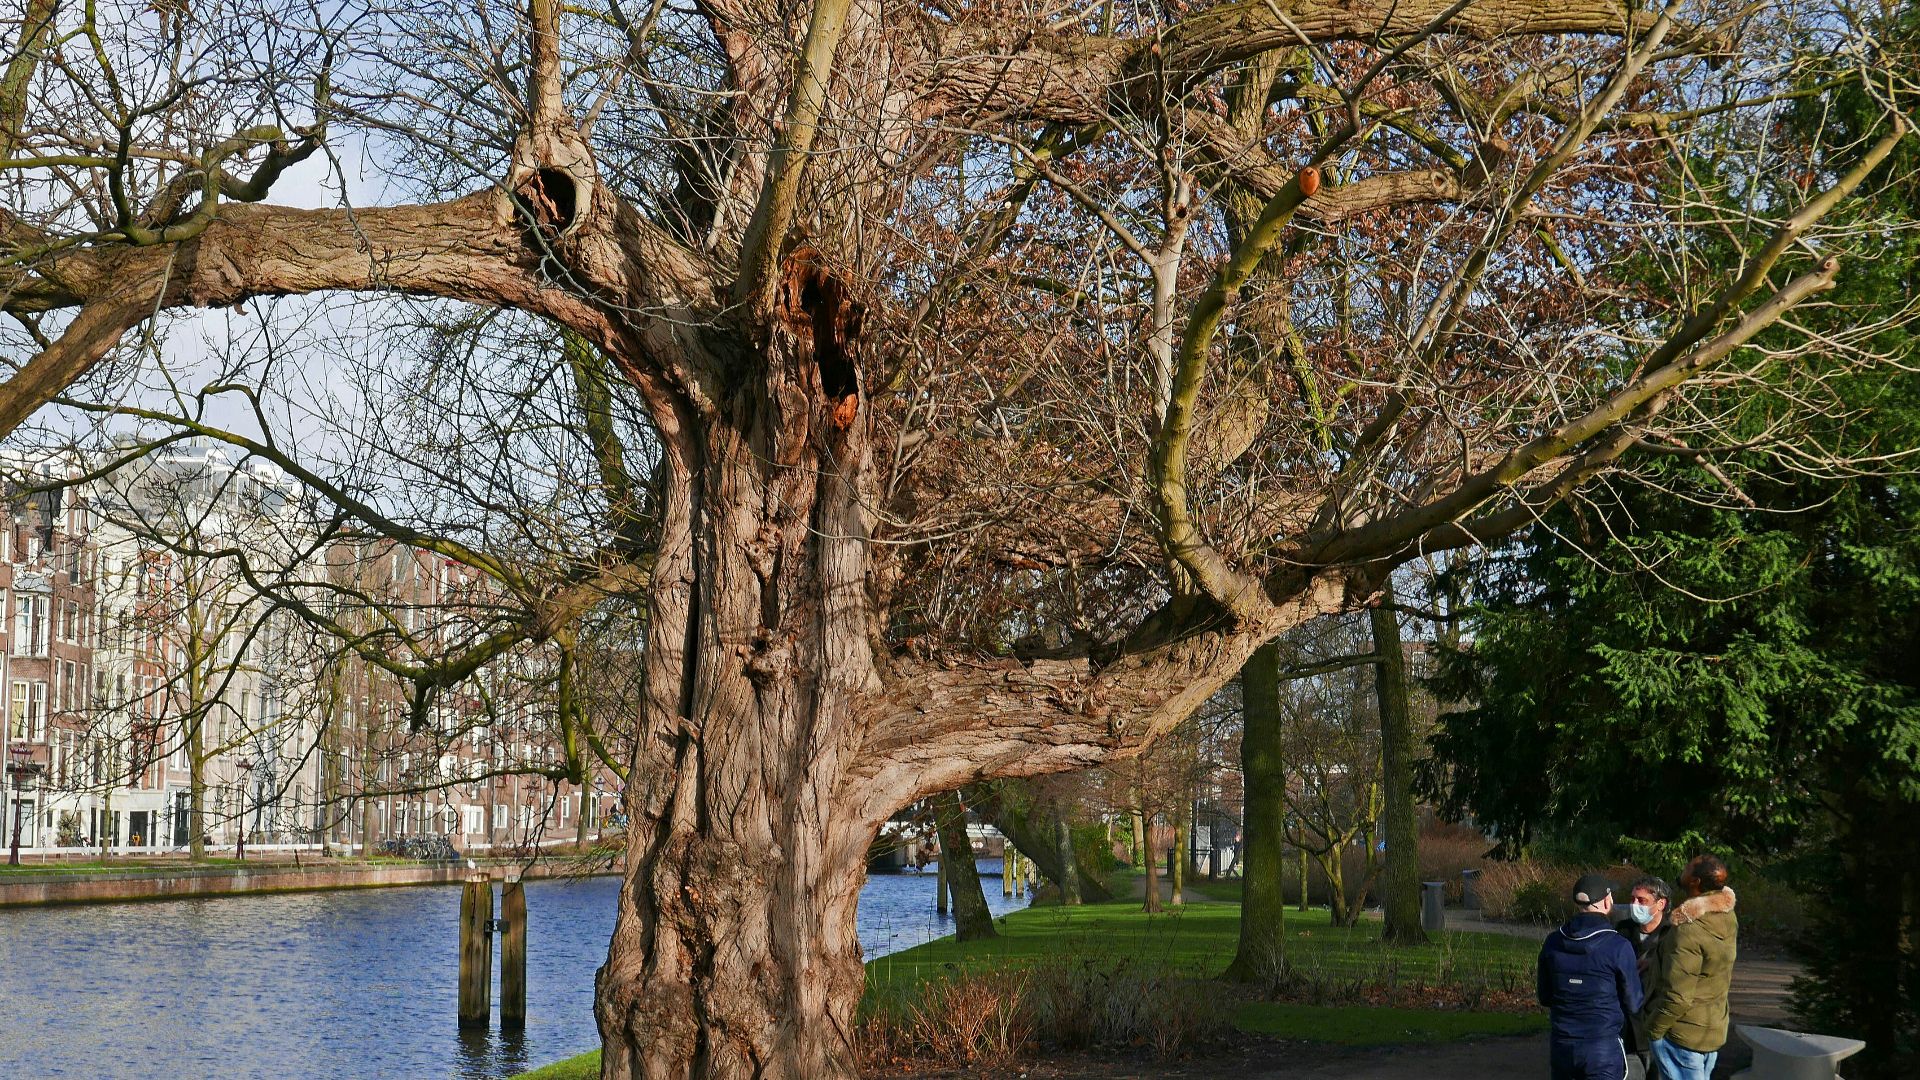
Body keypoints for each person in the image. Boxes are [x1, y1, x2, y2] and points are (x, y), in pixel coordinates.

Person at [1539, 873, 1643, 1080]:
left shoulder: (1553, 941)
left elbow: (1545, 996)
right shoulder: (1617, 946)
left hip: (1562, 1044)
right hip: (1602, 1046)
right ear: (1606, 901)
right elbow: (1633, 1002)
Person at [1647, 855, 1738, 1080]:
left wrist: (1654, 1029)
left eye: (1688, 868)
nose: (1683, 869)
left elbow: (1678, 995)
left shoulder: (1688, 929)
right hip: (1710, 1030)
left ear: (1695, 881)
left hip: (1681, 1035)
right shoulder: (1726, 916)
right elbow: (1706, 965)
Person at [1615, 876, 1674, 1075]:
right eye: (1632, 899)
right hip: (1627, 1027)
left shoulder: (1673, 935)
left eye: (1642, 901)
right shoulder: (1622, 931)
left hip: (1659, 1026)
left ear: (1661, 904)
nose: (1635, 905)